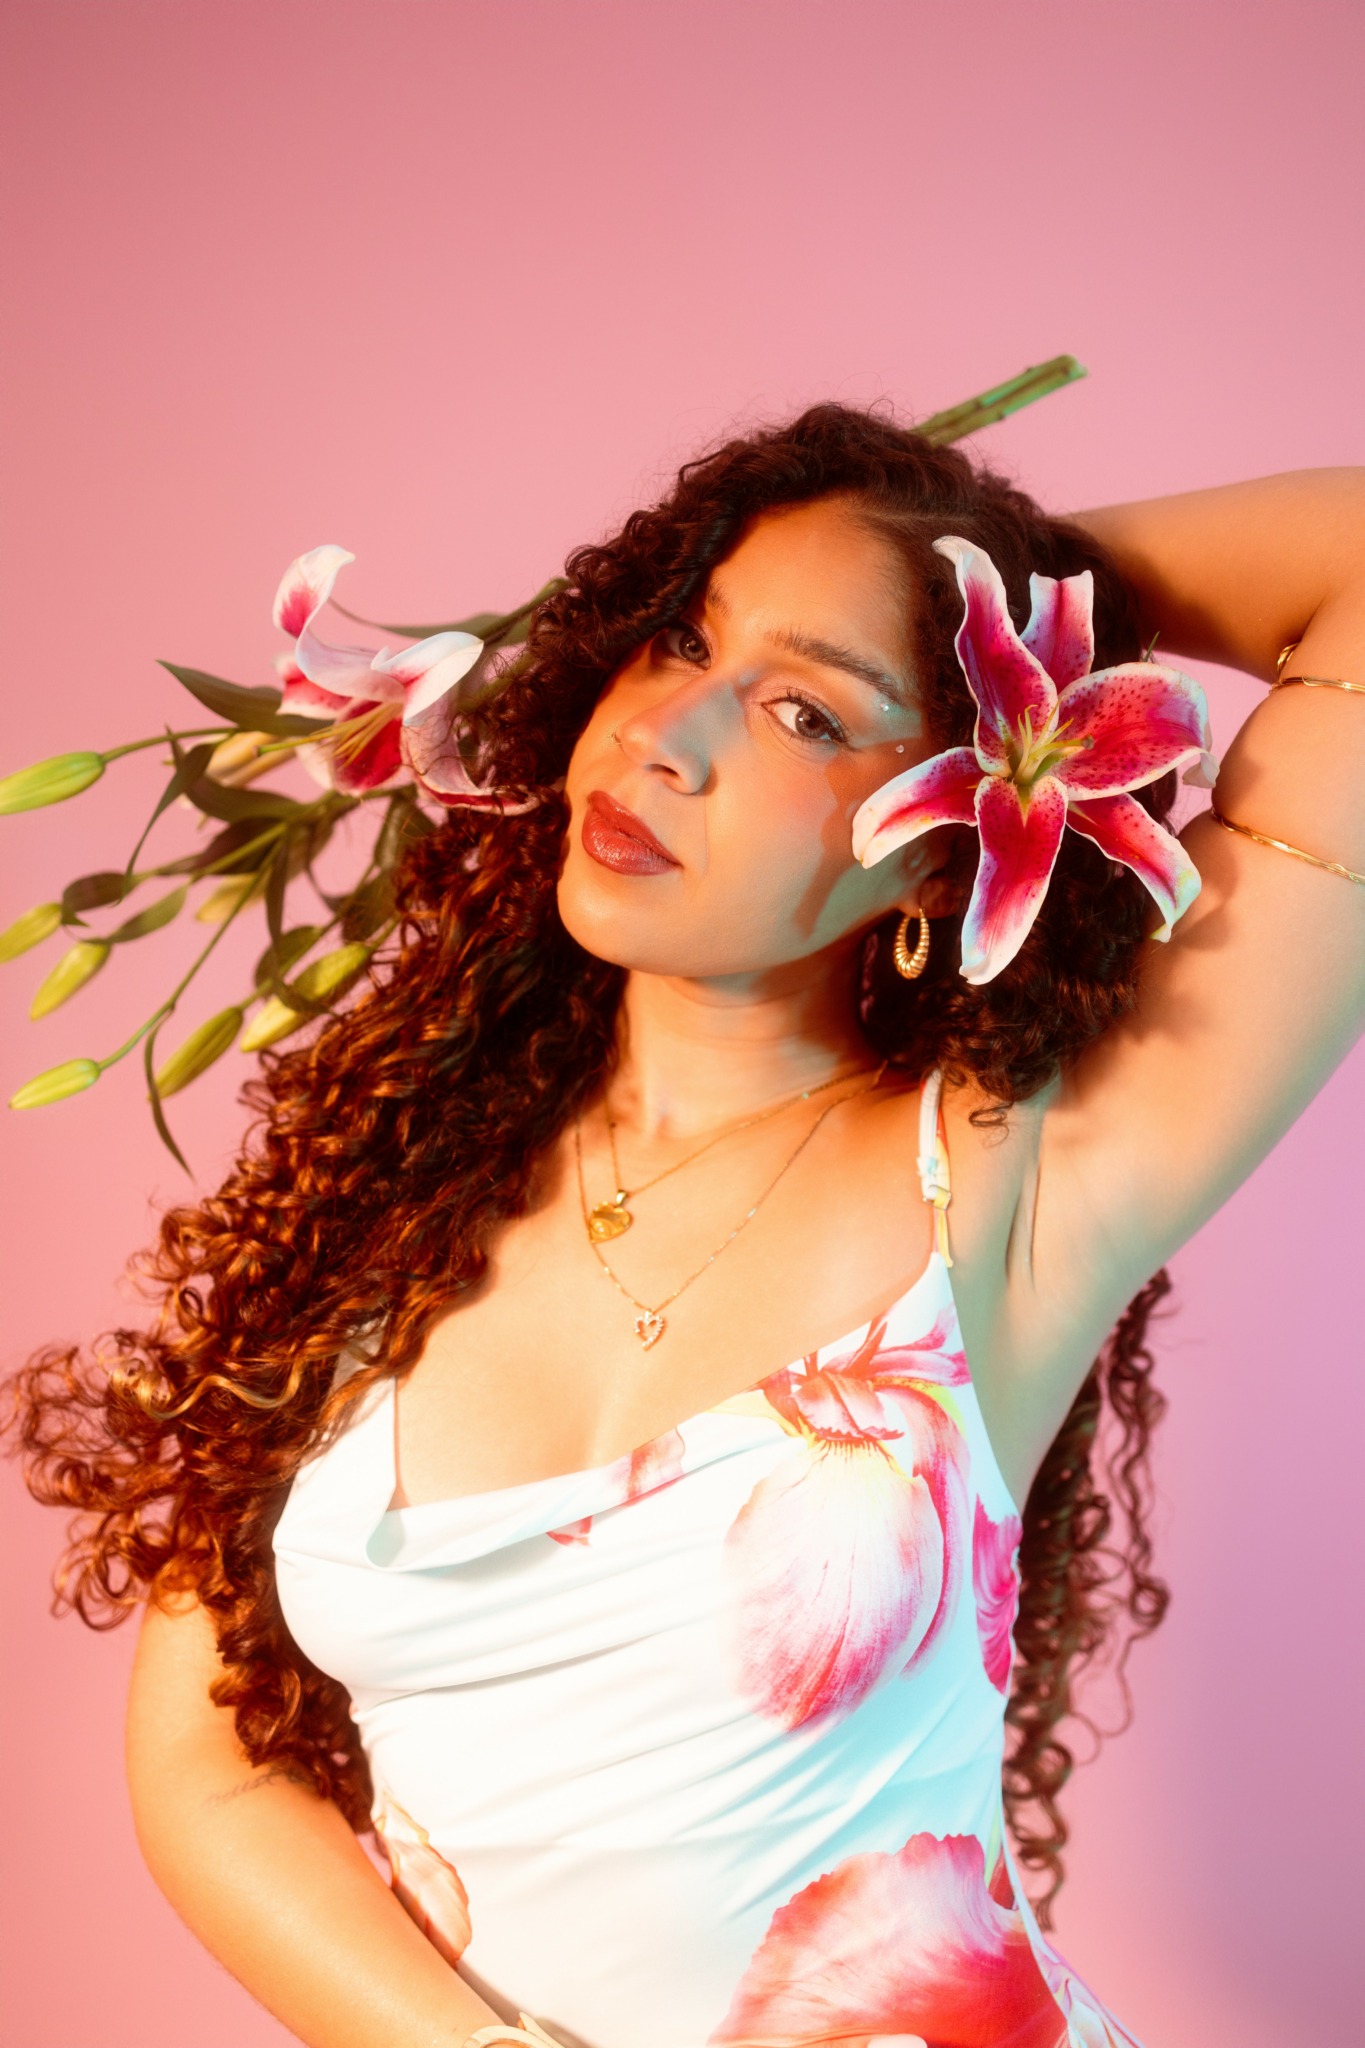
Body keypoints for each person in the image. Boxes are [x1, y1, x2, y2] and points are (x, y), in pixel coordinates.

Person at [11, 407, 1365, 2048]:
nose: (668, 731)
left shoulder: (1025, 1174)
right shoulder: (382, 1199)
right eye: (677, 637)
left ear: (942, 839)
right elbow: (207, 1760)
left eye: (806, 709)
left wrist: (987, 611)